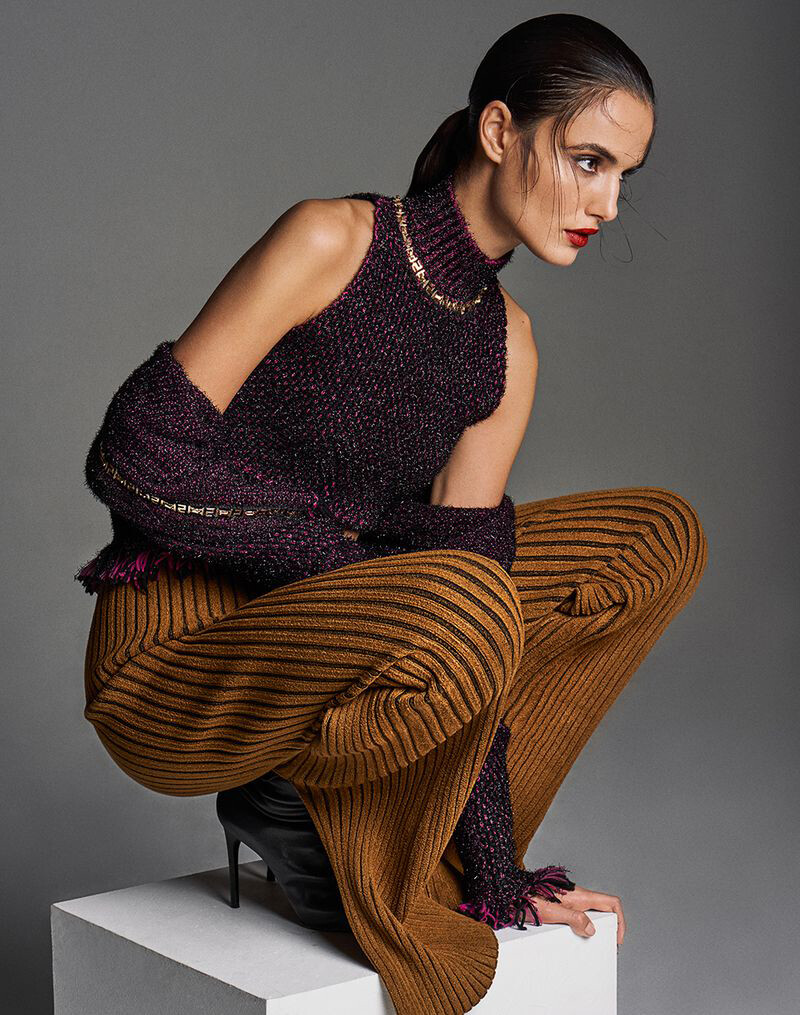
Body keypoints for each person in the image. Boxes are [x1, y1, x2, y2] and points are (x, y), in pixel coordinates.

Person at [75, 13, 708, 1015]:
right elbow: (134, 453)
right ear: (498, 130)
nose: (607, 203)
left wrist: (497, 878)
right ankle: (329, 823)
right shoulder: (335, 240)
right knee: (460, 596)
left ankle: (380, 833)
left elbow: (477, 612)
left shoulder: (506, 348)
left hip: (352, 647)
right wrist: (348, 560)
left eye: (622, 176)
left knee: (652, 541)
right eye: (588, 161)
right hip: (180, 658)